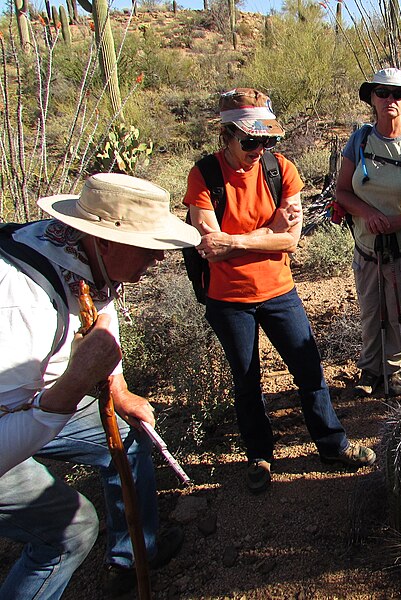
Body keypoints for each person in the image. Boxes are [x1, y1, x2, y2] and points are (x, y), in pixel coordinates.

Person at [0, 173, 198, 599]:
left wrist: (118, 386)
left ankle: (134, 555)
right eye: (150, 247)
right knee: (70, 531)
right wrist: (72, 385)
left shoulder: (76, 252)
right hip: (9, 421)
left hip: (37, 399)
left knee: (128, 436)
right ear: (103, 240)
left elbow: (102, 306)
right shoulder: (20, 306)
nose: (161, 257)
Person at [183, 88, 376, 495]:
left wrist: (237, 240)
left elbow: (288, 243)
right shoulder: (204, 175)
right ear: (227, 136)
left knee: (309, 370)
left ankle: (332, 445)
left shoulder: (281, 169)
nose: (259, 148)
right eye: (250, 140)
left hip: (279, 291)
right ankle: (259, 454)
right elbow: (209, 248)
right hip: (229, 299)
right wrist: (268, 230)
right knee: (247, 380)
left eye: (266, 139)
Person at [335, 68, 401, 398]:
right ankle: (370, 370)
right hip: (367, 244)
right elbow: (341, 191)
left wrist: (395, 223)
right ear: (372, 98)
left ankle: (395, 371)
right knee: (370, 309)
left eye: (397, 94)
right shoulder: (360, 140)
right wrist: (369, 214)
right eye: (382, 92)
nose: (389, 99)